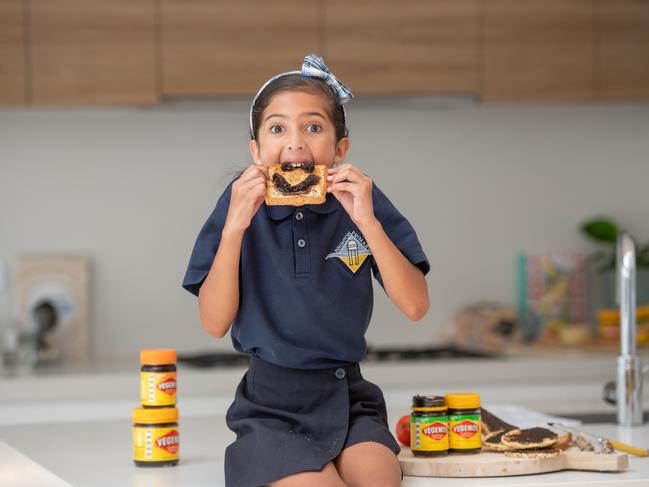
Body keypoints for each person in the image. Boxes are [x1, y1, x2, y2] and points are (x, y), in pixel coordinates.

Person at [183, 54, 430, 487]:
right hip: (270, 407)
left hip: (349, 397)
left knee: (379, 479)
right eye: (278, 128)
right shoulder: (237, 207)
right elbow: (213, 323)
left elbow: (415, 305)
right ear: (256, 150)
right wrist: (235, 228)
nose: (295, 142)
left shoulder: (362, 202)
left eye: (313, 127)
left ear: (340, 149)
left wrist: (367, 222)